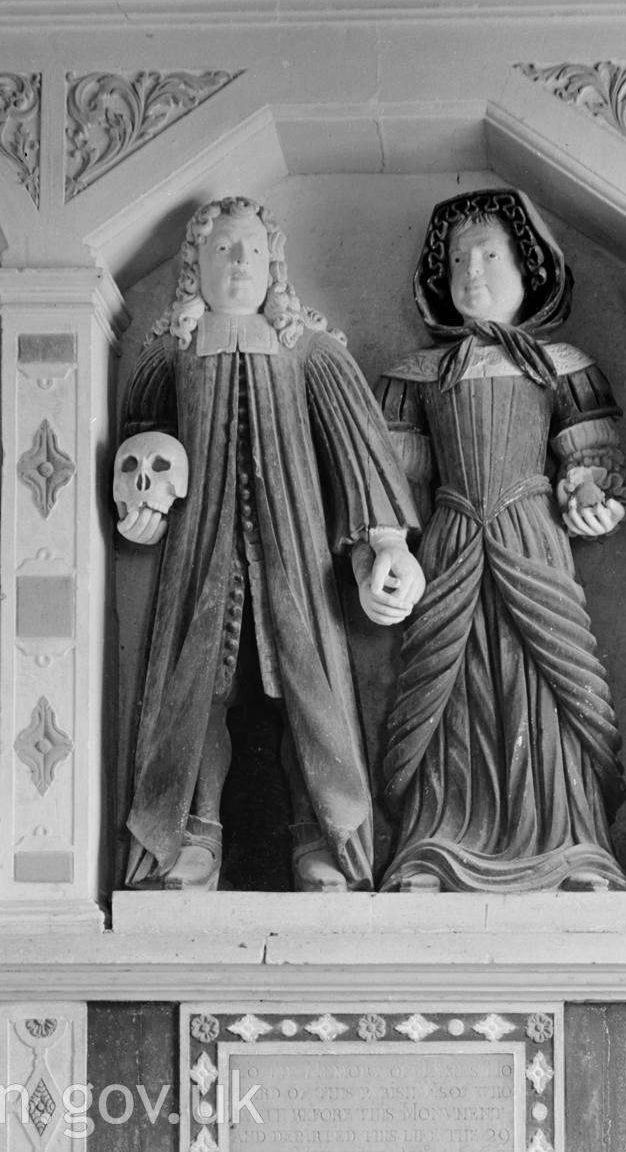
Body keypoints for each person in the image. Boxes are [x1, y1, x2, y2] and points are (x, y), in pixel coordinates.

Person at [116, 197, 424, 892]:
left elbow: (358, 445)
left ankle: (325, 835)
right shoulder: (172, 350)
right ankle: (194, 833)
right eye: (222, 249)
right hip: (201, 552)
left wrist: (385, 542)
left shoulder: (306, 348)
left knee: (305, 689)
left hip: (297, 550)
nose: (238, 262)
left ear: (275, 264)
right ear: (194, 262)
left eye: (252, 249)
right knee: (200, 691)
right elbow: (141, 439)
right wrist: (144, 506)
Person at [375, 188, 626, 892]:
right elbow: (391, 478)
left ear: (532, 267)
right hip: (452, 542)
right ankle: (434, 843)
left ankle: (572, 844)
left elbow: (592, 456)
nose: (472, 272)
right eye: (458, 258)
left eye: (490, 254)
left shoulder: (562, 364)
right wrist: (388, 544)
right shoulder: (415, 374)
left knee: (549, 679)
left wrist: (590, 497)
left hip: (533, 537)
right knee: (445, 686)